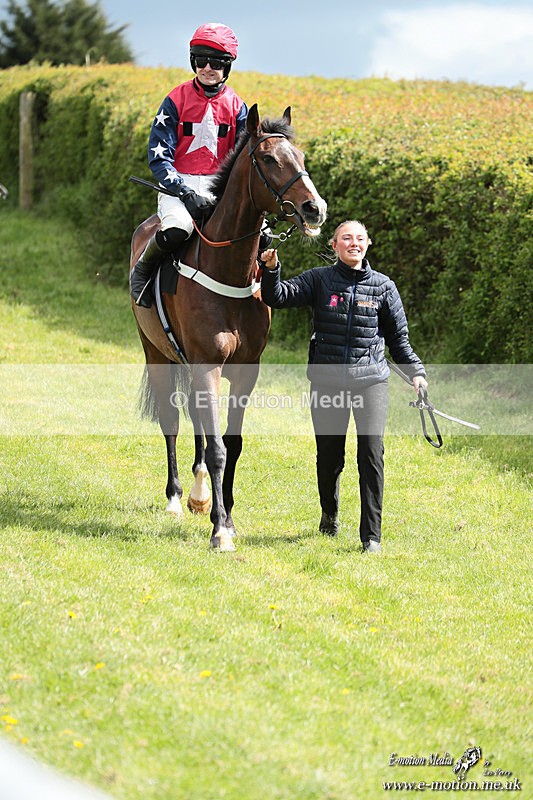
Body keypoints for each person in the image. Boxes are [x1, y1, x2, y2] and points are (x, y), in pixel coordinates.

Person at [260, 220, 428, 553]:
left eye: (360, 238)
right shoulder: (319, 279)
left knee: (371, 455)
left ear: (368, 244)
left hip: (371, 383)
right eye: (346, 238)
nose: (354, 243)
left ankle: (372, 537)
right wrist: (272, 268)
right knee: (329, 456)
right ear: (335, 245)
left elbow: (399, 340)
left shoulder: (384, 287)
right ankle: (329, 515)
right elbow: (276, 297)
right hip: (327, 381)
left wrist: (416, 373)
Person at [130, 22, 248, 307]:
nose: (207, 68)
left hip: (218, 186)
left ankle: (264, 291)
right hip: (178, 185)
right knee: (178, 228)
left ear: (228, 66)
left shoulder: (238, 107)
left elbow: (242, 162)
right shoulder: (174, 100)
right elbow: (159, 157)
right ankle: (142, 271)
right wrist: (184, 192)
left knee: (261, 234)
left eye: (216, 63)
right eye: (200, 61)